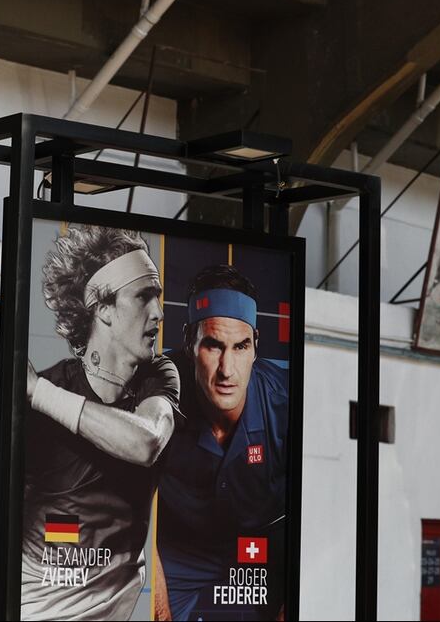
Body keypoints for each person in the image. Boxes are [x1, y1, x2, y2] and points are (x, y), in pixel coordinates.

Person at [21, 224, 180, 621]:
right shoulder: (46, 396)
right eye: (144, 297)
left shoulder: (157, 375)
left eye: (157, 297)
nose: (158, 313)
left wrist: (37, 393)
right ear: (103, 308)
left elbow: (148, 442)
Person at [154, 265, 288, 621]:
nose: (228, 369)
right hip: (180, 549)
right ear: (189, 342)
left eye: (240, 346)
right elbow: (126, 508)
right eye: (213, 346)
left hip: (265, 548)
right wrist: (158, 610)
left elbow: (318, 515)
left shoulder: (286, 404)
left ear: (256, 346)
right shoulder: (152, 396)